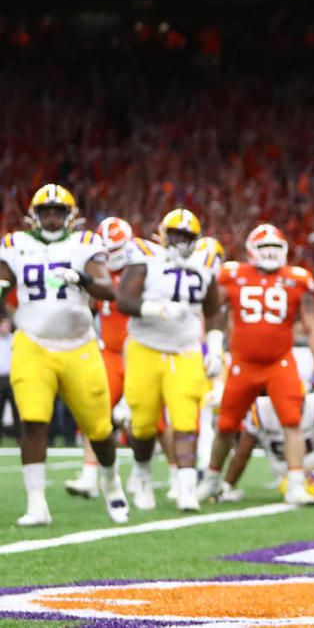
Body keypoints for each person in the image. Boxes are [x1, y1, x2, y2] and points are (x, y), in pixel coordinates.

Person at [0, 184, 130, 525]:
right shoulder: (16, 244)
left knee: (99, 427)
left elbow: (109, 291)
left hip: (78, 345)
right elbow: (2, 283)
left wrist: (80, 277)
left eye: (59, 211)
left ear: (70, 216)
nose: (53, 217)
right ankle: (37, 503)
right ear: (34, 216)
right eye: (46, 212)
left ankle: (111, 481)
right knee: (32, 420)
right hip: (33, 341)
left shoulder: (84, 244)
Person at [198, 223, 314, 506]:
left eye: (275, 247)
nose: (270, 253)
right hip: (242, 363)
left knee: (292, 421)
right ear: (251, 251)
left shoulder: (297, 279)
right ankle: (210, 481)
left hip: (279, 362)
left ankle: (295, 483)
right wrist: (208, 345)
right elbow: (209, 312)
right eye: (264, 248)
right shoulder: (233, 275)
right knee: (225, 425)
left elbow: (313, 327)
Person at [115, 209, 223, 512]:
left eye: (186, 236)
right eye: (175, 234)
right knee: (144, 423)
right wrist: (156, 310)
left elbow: (214, 310)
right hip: (145, 347)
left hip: (185, 350)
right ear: (163, 233)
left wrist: (214, 347)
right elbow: (123, 300)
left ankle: (187, 489)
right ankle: (143, 475)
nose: (179, 241)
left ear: (195, 240)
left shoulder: (205, 262)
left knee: (186, 419)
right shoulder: (145, 255)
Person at [64, 217, 135, 499]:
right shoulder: (96, 272)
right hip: (108, 351)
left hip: (140, 353)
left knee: (149, 421)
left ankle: (150, 474)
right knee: (95, 413)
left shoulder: (140, 271)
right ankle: (90, 476)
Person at [219, 391, 314, 502]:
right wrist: (227, 486)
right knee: (305, 489)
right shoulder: (261, 411)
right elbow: (242, 454)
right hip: (288, 474)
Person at [0, 316, 13, 444]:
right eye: (5, 324)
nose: (7, 327)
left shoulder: (13, 339)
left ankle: (21, 439)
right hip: (0, 379)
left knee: (17, 410)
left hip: (11, 378)